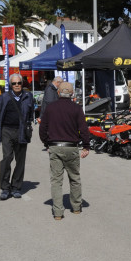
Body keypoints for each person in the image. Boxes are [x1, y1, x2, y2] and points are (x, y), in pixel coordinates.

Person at [39, 82, 90, 220]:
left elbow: (42, 129)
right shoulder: (76, 108)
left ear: (58, 93)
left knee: (56, 181)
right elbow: (84, 129)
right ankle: (76, 207)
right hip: (71, 147)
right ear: (72, 94)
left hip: (55, 146)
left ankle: (58, 213)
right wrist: (86, 146)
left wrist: (46, 143)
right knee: (74, 178)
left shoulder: (50, 108)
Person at [0, 73, 34, 200]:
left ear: (22, 84)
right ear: (10, 84)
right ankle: (5, 188)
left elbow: (30, 114)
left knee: (20, 160)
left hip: (22, 131)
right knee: (7, 158)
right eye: (14, 83)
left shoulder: (28, 96)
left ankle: (16, 187)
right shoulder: (3, 97)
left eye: (19, 83)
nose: (17, 85)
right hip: (7, 130)